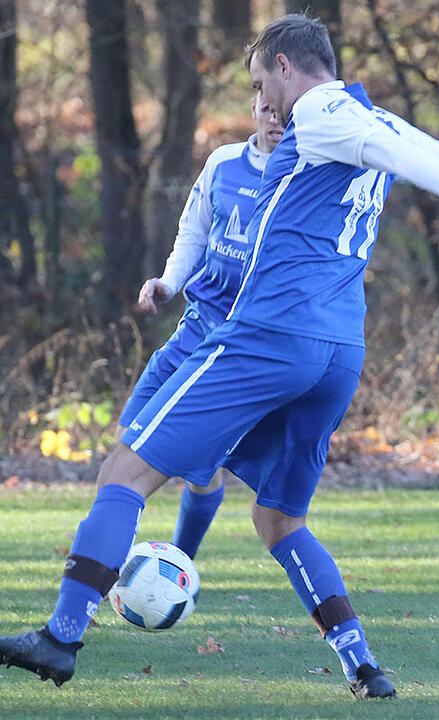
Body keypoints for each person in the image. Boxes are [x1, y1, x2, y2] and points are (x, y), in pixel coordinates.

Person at [0, 13, 439, 699]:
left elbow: (426, 162)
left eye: (259, 82)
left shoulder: (323, 109)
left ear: (284, 64)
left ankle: (61, 638)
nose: (263, 103)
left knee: (123, 472)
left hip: (273, 336)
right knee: (279, 519)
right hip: (339, 352)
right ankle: (363, 665)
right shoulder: (368, 117)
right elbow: (438, 153)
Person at [115, 95, 283, 561]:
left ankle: (177, 564)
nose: (275, 118)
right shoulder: (224, 163)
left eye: (283, 110)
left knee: (198, 469)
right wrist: (169, 283)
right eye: (266, 107)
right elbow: (194, 231)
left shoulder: (303, 177)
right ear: (254, 106)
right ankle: (101, 571)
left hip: (239, 349)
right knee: (125, 447)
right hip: (192, 330)